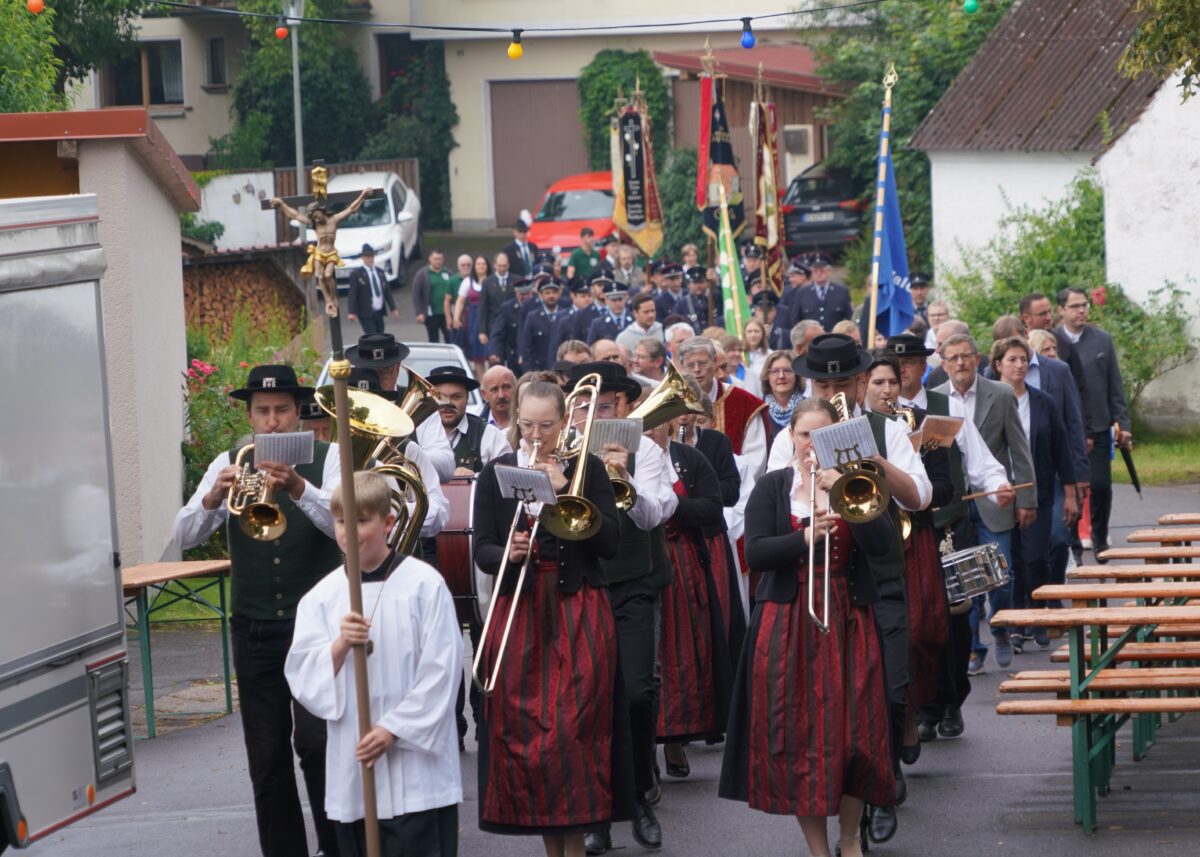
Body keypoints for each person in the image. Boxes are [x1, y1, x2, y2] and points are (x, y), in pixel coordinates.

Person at [173, 364, 343, 857]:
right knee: (266, 758)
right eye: (262, 412)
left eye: (281, 411)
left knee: (318, 747)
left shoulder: (327, 459)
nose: (272, 422)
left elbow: (343, 527)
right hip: (254, 630)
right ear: (249, 415)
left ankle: (337, 847)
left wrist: (297, 489)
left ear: (298, 413)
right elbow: (183, 536)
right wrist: (211, 497)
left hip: (316, 630)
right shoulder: (231, 460)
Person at [720, 398, 895, 857]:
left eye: (822, 435)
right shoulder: (774, 487)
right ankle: (818, 849)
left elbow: (883, 547)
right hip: (789, 619)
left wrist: (845, 493)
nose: (811, 445)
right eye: (803, 435)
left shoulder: (857, 482)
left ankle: (852, 837)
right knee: (803, 741)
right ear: (790, 438)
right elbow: (755, 552)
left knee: (858, 736)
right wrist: (803, 537)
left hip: (849, 616)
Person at [472, 381, 633, 857]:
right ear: (515, 421)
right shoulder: (495, 472)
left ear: (564, 422)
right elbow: (482, 549)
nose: (536, 436)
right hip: (519, 611)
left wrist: (565, 493)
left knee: (574, 731)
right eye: (527, 425)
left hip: (577, 609)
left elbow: (610, 545)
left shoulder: (590, 469)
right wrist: (509, 550)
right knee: (527, 737)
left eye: (546, 425)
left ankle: (579, 847)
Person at [285, 471, 463, 857]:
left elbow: (442, 671)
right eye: (341, 520)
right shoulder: (321, 598)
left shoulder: (424, 585)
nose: (350, 531)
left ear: (388, 522)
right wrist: (338, 647)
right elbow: (301, 674)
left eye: (361, 520)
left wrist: (393, 730)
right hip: (355, 772)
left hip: (418, 775)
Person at [564, 363, 676, 856]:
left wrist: (623, 475)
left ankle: (640, 786)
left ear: (626, 407)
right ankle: (599, 817)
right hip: (581, 586)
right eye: (588, 404)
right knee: (589, 703)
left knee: (635, 691)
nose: (595, 412)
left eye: (607, 405)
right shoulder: (563, 449)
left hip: (633, 583)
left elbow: (657, 513)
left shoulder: (646, 448)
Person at [886, 334, 1011, 744]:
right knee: (914, 623)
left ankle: (952, 701)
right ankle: (922, 706)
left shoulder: (946, 406)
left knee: (955, 620)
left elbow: (978, 460)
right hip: (903, 534)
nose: (903, 371)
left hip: (948, 528)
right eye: (896, 365)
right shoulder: (876, 417)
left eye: (911, 363)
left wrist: (996, 485)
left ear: (925, 367)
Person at [932, 333, 1036, 673]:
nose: (960, 363)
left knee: (1001, 573)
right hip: (955, 505)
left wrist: (1026, 499)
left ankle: (1000, 628)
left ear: (977, 360)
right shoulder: (933, 401)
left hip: (996, 499)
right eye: (953, 358)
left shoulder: (1001, 394)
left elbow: (1019, 449)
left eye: (966, 356)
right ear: (943, 363)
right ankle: (974, 648)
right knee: (964, 579)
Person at [655, 415, 734, 779]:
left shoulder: (689, 458)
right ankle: (645, 746)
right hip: (641, 562)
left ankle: (674, 735)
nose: (650, 430)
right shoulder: (620, 460)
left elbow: (712, 508)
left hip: (682, 563)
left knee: (682, 649)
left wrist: (672, 504)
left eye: (657, 422)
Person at [989, 336, 1078, 651]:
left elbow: (1061, 450)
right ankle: (1013, 623)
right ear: (998, 364)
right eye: (1012, 359)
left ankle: (1036, 615)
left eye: (1024, 359)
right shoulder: (989, 399)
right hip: (998, 493)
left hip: (1037, 491)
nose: (1019, 365)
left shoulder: (1043, 402)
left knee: (1035, 558)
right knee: (1007, 560)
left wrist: (1070, 493)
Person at [1056, 286, 1131, 561]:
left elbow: (1115, 386)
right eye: (1075, 306)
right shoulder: (1053, 342)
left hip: (1098, 425)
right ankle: (1072, 541)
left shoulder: (1102, 340)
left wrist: (1123, 424)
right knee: (1070, 487)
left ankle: (1099, 538)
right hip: (1065, 429)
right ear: (1061, 310)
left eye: (1085, 305)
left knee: (1100, 485)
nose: (1081, 310)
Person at [345, 334, 457, 484]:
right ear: (357, 370)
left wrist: (403, 454)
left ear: (397, 369)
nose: (377, 380)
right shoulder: (343, 405)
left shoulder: (419, 403)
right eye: (370, 372)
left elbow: (446, 466)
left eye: (385, 372)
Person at [271, 186, 371, 317]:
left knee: (328, 274)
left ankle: (333, 298)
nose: (316, 219)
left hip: (331, 254)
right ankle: (328, 301)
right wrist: (282, 204)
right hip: (319, 253)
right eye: (313, 218)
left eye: (316, 215)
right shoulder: (315, 224)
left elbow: (351, 209)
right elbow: (295, 215)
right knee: (319, 276)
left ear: (320, 211)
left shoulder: (334, 220)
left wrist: (363, 195)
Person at [519, 275, 572, 372]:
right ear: (540, 295)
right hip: (539, 370)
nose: (551, 296)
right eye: (547, 293)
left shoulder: (567, 316)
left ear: (559, 293)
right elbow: (527, 348)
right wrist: (529, 372)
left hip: (563, 370)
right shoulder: (532, 317)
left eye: (554, 292)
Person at [347, 244, 398, 335]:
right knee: (372, 336)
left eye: (372, 256)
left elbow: (387, 291)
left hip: (379, 311)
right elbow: (353, 294)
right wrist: (352, 311)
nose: (370, 259)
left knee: (381, 333)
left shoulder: (380, 272)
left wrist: (393, 308)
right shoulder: (357, 274)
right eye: (368, 257)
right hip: (365, 312)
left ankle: (380, 349)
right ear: (363, 258)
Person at [796, 253, 854, 332]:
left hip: (836, 338)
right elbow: (796, 320)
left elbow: (850, 318)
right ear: (811, 273)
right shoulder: (802, 293)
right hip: (812, 340)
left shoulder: (842, 292)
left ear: (829, 272)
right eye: (815, 271)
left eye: (822, 271)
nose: (818, 274)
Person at [488, 276, 532, 374]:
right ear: (516, 293)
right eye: (522, 294)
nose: (525, 297)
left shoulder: (537, 306)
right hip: (514, 357)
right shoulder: (508, 308)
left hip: (534, 356)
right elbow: (498, 333)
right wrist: (495, 352)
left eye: (527, 294)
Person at [759, 350, 802, 446]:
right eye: (775, 371)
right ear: (767, 376)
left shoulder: (809, 407)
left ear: (796, 375)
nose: (781, 376)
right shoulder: (759, 411)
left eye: (787, 370)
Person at [478, 253, 514, 359]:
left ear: (508, 265)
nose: (502, 268)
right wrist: (482, 331)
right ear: (494, 265)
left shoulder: (516, 280)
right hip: (494, 326)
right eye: (499, 266)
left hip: (512, 327)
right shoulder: (487, 282)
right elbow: (483, 308)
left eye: (504, 266)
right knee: (495, 358)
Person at [675, 266, 721, 331]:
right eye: (695, 283)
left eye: (701, 282)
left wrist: (716, 282)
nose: (698, 286)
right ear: (688, 284)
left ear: (706, 283)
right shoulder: (682, 303)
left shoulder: (714, 297)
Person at [479, 364, 516, 429]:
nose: (501, 395)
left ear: (516, 388)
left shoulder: (528, 423)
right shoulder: (476, 429)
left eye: (506, 387)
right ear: (484, 394)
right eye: (494, 389)